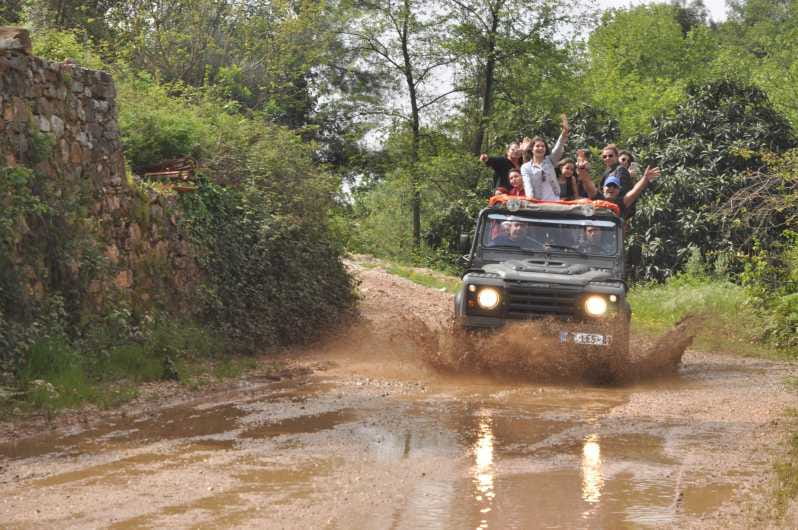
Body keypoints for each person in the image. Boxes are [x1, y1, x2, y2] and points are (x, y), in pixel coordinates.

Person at [580, 166, 662, 218]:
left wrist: (645, 179)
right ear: (603, 188)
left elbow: (634, 192)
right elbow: (587, 183)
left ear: (619, 190)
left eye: (615, 186)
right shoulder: (597, 197)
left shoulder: (621, 203)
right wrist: (582, 169)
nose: (611, 188)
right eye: (608, 186)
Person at [520, 114, 569, 200]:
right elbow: (527, 184)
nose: (540, 148)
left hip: (555, 201)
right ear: (532, 149)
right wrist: (530, 199)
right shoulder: (525, 167)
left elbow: (559, 146)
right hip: (538, 203)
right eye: (537, 146)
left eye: (543, 146)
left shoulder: (550, 160)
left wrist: (564, 132)